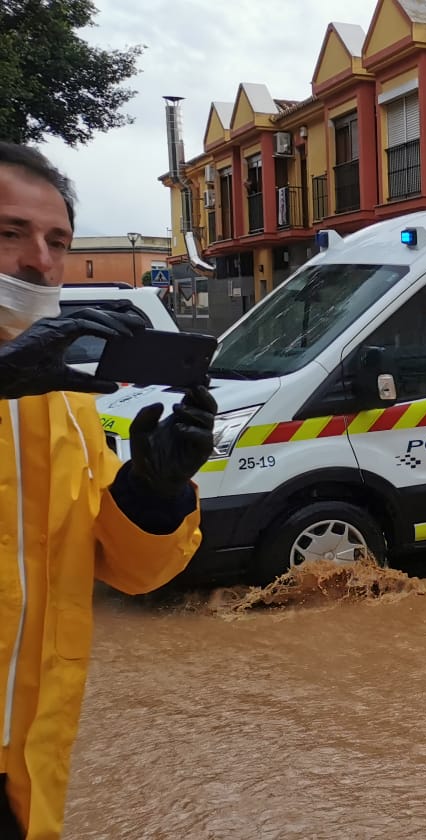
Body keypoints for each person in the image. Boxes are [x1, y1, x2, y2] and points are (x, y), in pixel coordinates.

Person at [0, 142, 213, 838]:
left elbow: (125, 570)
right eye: (10, 233)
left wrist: (154, 492)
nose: (40, 260)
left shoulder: (66, 398)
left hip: (25, 773)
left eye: (57, 241)